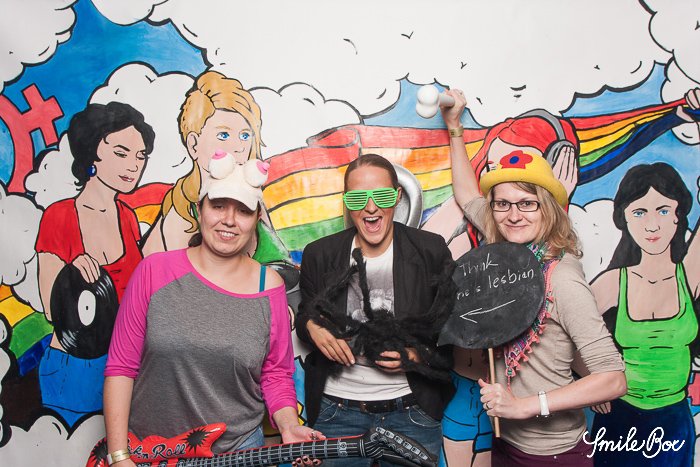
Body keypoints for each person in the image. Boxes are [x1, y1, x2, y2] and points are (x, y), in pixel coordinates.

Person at [441, 89, 626, 466]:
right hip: (507, 444)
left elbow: (613, 379)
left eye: (527, 203)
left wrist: (526, 406)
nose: (514, 215)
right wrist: (454, 126)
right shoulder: (504, 246)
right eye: (503, 204)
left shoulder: (561, 277)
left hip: (553, 453)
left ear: (548, 209)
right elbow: (466, 192)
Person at [103, 151, 321, 466]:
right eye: (218, 206)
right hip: (153, 452)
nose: (229, 220)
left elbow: (275, 372)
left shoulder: (269, 286)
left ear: (256, 220)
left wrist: (289, 426)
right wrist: (119, 455)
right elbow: (121, 367)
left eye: (243, 210)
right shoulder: (154, 271)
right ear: (200, 209)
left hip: (238, 452)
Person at [296, 153, 456, 466]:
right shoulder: (320, 254)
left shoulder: (430, 249)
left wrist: (415, 356)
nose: (371, 207)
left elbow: (450, 327)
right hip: (336, 413)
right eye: (358, 198)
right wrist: (312, 327)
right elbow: (304, 315)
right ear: (346, 202)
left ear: (397, 197)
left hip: (411, 412)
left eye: (381, 196)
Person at [36, 101, 155, 426]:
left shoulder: (128, 217)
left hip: (124, 366)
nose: (133, 165)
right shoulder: (59, 216)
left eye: (140, 156)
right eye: (121, 153)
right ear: (92, 152)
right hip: (73, 367)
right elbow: (51, 309)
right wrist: (71, 276)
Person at [590, 163, 699, 466]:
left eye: (663, 210)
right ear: (624, 218)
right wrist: (591, 380)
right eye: (639, 212)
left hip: (674, 420)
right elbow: (566, 334)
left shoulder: (688, 276)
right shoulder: (613, 282)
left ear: (678, 215)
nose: (652, 225)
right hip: (620, 419)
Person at [143, 71, 287, 266]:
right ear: (193, 144)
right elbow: (182, 281)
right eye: (224, 135)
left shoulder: (253, 200)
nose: (239, 147)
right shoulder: (181, 214)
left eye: (245, 136)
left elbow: (282, 261)